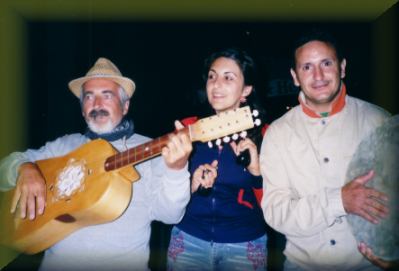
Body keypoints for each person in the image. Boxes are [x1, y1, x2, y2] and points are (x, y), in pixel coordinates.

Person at [0, 57, 193, 271]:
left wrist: (177, 169)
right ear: (82, 108)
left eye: (107, 96)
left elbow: (170, 215)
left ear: (125, 105)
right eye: (89, 97)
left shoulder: (151, 150)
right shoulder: (64, 145)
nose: (97, 105)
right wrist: (24, 168)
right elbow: (4, 170)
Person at [259, 29, 392, 271]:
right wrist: (338, 201)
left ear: (342, 67)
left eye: (326, 63)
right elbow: (275, 212)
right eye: (307, 67)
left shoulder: (380, 122)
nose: (318, 75)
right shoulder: (278, 133)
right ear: (294, 76)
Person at [167, 48, 268, 270]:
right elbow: (166, 190)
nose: (216, 84)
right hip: (189, 238)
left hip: (244, 243)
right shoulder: (187, 128)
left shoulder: (265, 135)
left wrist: (256, 172)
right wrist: (189, 183)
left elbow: (274, 207)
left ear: (246, 90)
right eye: (212, 76)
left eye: (228, 78)